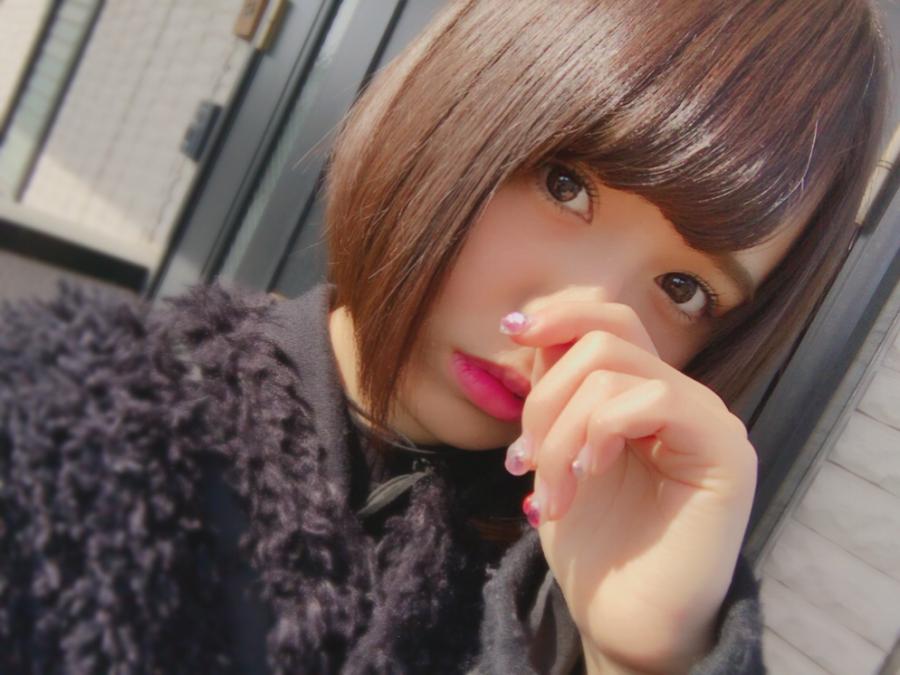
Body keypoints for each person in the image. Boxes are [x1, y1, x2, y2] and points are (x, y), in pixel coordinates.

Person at [0, 1, 888, 673]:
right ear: (467, 103)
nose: (573, 322)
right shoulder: (65, 423)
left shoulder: (565, 613)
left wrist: (646, 658)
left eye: (684, 289)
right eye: (566, 183)